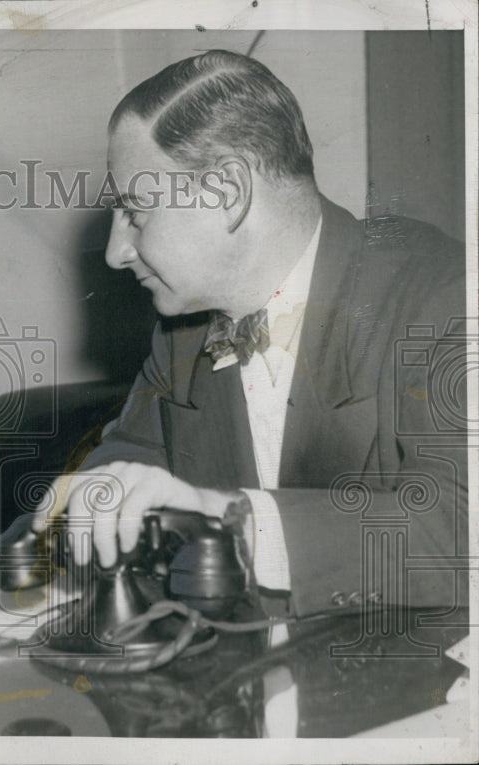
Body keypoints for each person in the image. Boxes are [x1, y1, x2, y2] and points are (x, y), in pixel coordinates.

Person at [33, 50, 467, 620]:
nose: (115, 253)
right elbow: (133, 449)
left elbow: (458, 528)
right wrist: (102, 488)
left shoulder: (446, 296)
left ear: (226, 193)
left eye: (135, 212)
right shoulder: (184, 329)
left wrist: (226, 519)